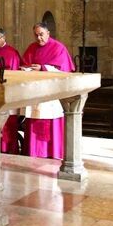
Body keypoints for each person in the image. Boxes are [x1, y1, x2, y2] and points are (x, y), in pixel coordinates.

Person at [21, 23, 75, 159]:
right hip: (34, 92)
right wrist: (27, 69)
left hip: (51, 94)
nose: (39, 38)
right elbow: (25, 63)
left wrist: (43, 68)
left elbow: (63, 70)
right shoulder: (32, 48)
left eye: (41, 34)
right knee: (34, 119)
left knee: (50, 120)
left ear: (48, 33)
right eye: (36, 35)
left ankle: (52, 152)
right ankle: (33, 151)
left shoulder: (58, 48)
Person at [0, 27, 24, 153]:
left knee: (7, 124)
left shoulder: (12, 53)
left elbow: (13, 74)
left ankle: (7, 149)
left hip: (6, 94)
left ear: (3, 38)